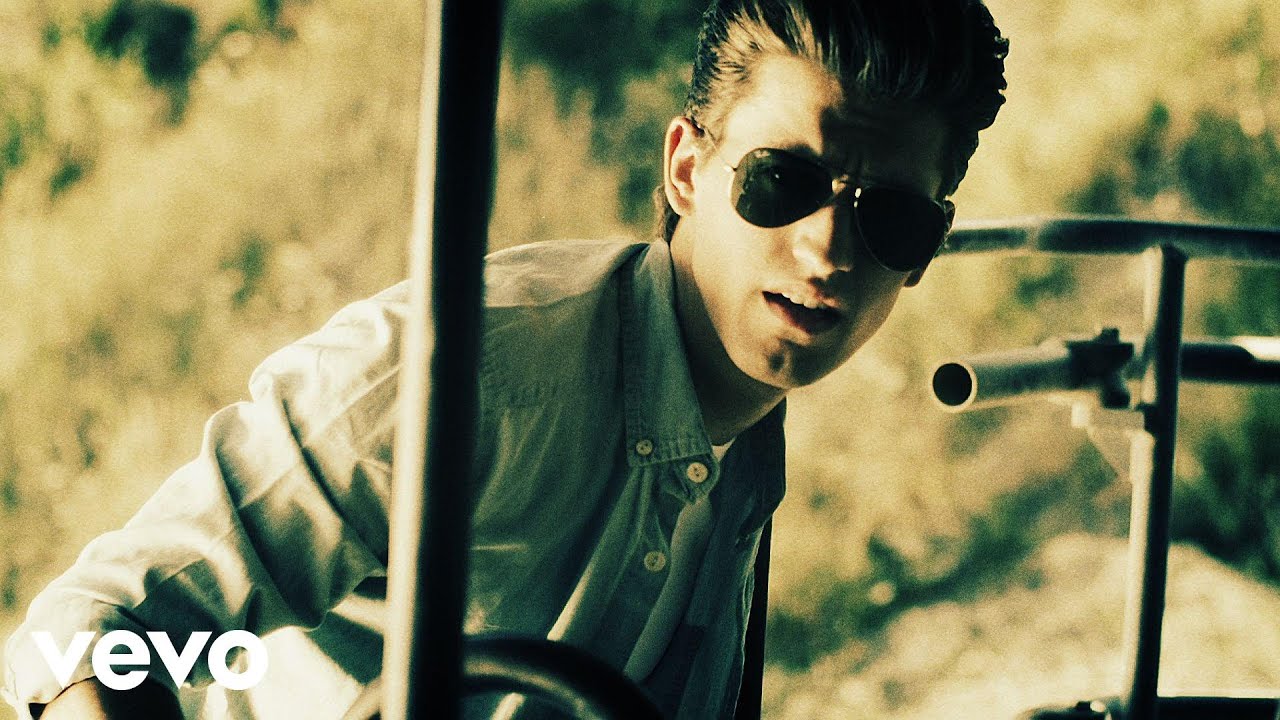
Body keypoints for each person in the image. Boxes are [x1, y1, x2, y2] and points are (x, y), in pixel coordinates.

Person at [4, 0, 1008, 717]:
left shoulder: (746, 466)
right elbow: (83, 633)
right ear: (687, 169)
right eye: (782, 181)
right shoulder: (466, 370)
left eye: (889, 217)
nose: (827, 250)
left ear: (927, 251)